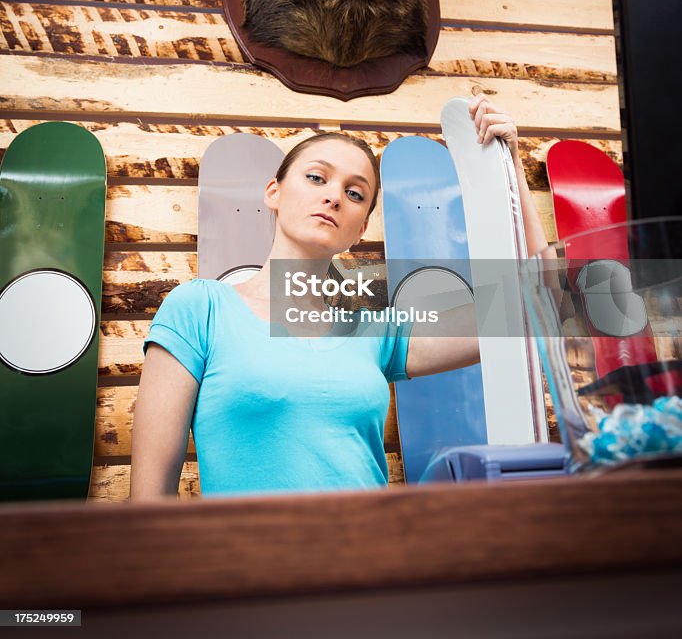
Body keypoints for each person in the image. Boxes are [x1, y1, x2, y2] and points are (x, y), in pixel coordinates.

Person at [129, 94, 547, 499]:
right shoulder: (200, 309)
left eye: (355, 193)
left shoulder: (377, 334)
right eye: (316, 177)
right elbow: (149, 501)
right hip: (246, 567)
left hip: (375, 561)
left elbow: (543, 304)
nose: (333, 196)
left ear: (359, 229)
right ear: (273, 192)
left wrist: (506, 171)